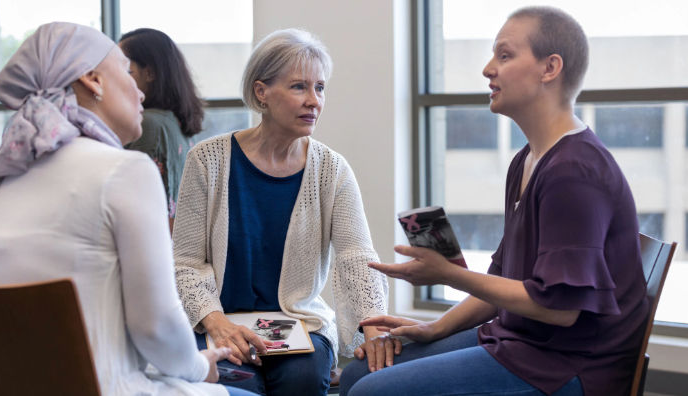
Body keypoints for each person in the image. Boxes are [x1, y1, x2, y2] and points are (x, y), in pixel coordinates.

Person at [340, 7, 648, 396]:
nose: (488, 69)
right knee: (357, 374)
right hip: (518, 341)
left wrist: (448, 274)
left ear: (549, 68)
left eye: (504, 56)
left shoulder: (574, 172)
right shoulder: (527, 159)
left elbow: (560, 308)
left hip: (565, 365)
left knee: (371, 392)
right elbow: (505, 279)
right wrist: (436, 328)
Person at [0, 22, 255, 396]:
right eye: (125, 72)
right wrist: (196, 367)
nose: (139, 94)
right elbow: (155, 327)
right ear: (93, 80)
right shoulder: (125, 171)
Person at [172, 28, 395, 396]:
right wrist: (215, 323)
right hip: (222, 323)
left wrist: (373, 327)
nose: (314, 101)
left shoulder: (332, 169)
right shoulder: (206, 161)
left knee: (303, 382)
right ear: (262, 92)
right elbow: (186, 263)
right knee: (235, 385)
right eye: (299, 87)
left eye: (320, 88)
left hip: (298, 326)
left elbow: (357, 256)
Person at [118, 28, 204, 231]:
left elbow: (128, 203)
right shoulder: (174, 122)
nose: (118, 78)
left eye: (125, 70)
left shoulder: (148, 124)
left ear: (150, 73)